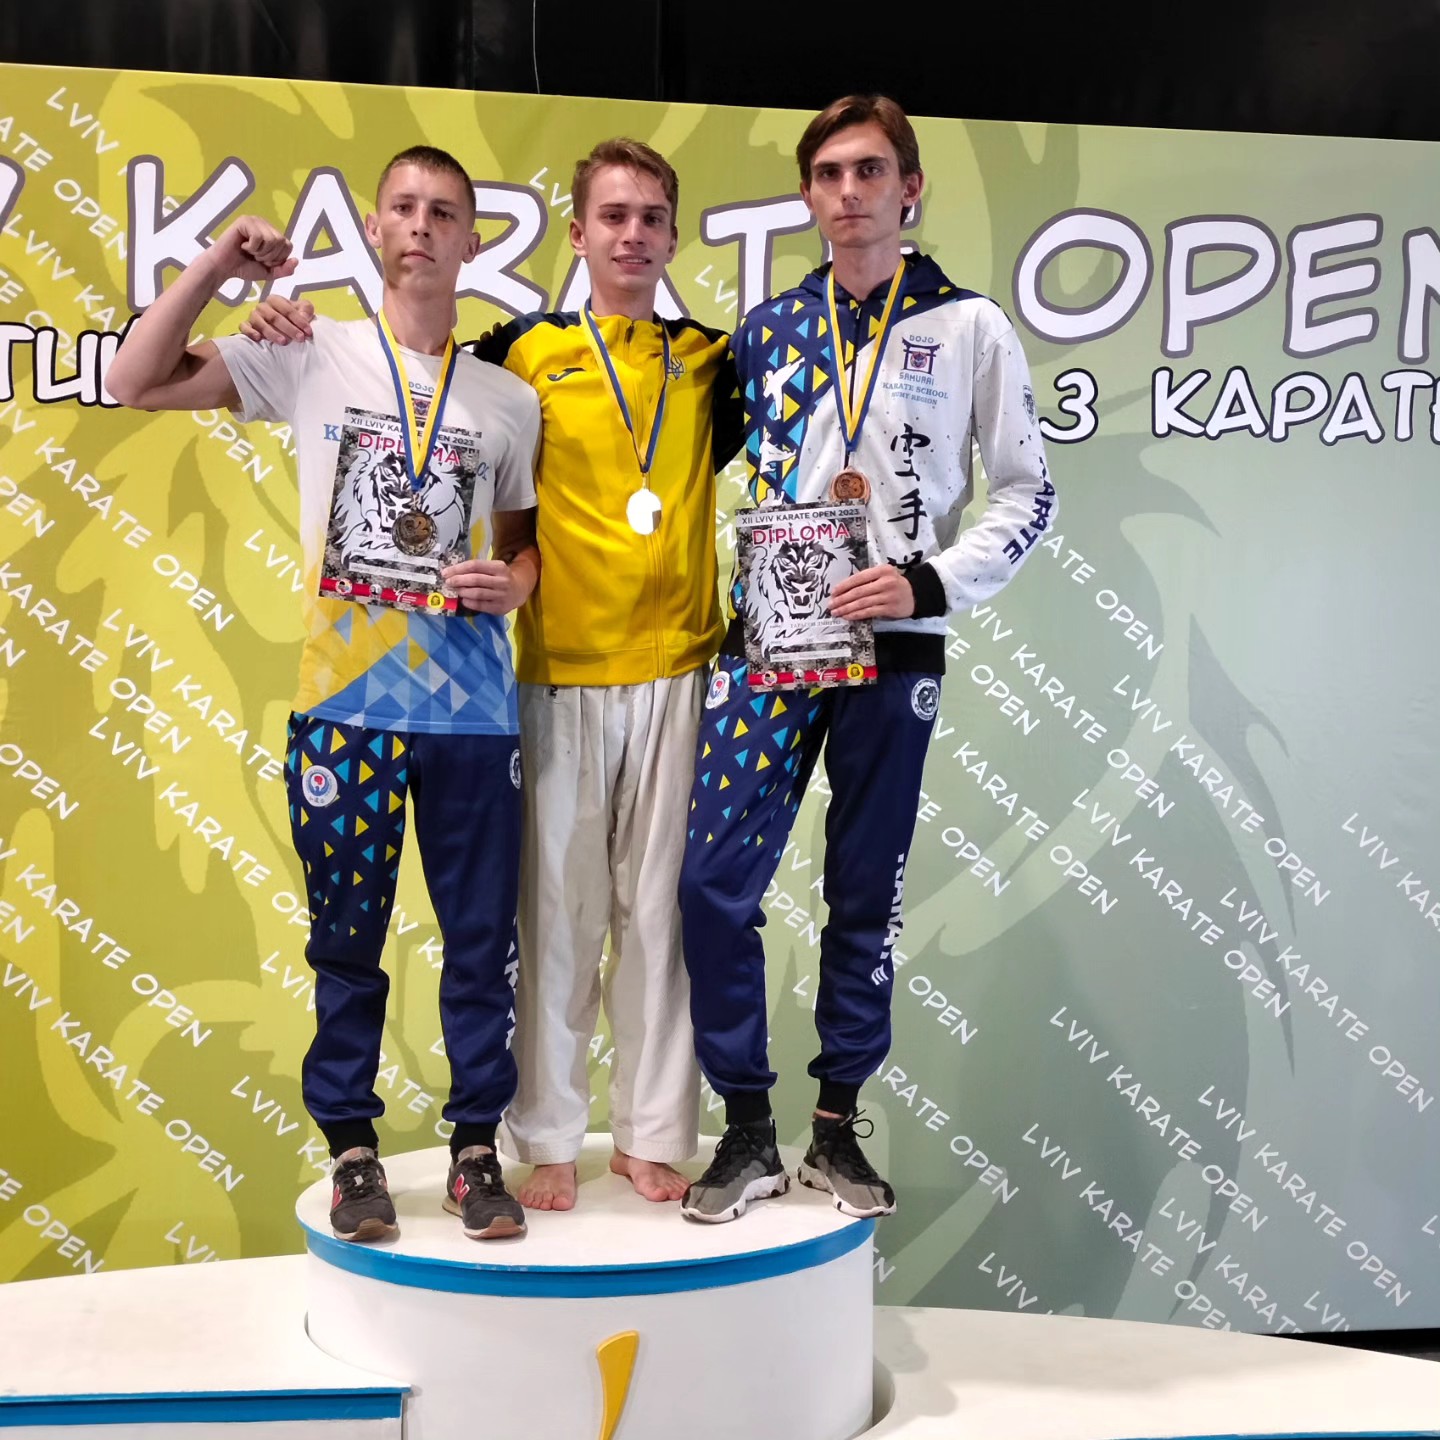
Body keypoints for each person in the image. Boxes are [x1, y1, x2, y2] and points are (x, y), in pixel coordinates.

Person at [244, 138, 740, 1211]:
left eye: (652, 218)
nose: (633, 235)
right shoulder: (518, 356)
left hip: (676, 665)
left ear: (673, 235)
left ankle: (653, 1133)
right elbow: (462, 454)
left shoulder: (712, 360)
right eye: (612, 216)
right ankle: (542, 1136)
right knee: (548, 920)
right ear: (578, 233)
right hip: (543, 672)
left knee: (659, 919)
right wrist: (268, 311)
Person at [108, 145, 543, 1244]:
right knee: (346, 944)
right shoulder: (307, 350)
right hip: (345, 710)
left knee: (481, 944)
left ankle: (475, 1150)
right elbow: (133, 380)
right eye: (403, 207)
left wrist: (516, 582)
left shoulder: (507, 399)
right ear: (375, 227)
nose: (422, 225)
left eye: (444, 211)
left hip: (473, 715)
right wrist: (219, 265)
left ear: (472, 240)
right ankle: (352, 1153)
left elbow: (522, 547)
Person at [678, 95, 1057, 1222]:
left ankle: (836, 1128)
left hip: (897, 642)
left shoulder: (970, 326)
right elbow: (674, 461)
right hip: (774, 642)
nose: (849, 191)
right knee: (710, 884)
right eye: (830, 173)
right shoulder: (765, 332)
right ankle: (747, 1127)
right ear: (808, 195)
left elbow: (1029, 493)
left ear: (910, 188)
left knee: (864, 891)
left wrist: (927, 581)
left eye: (871, 170)